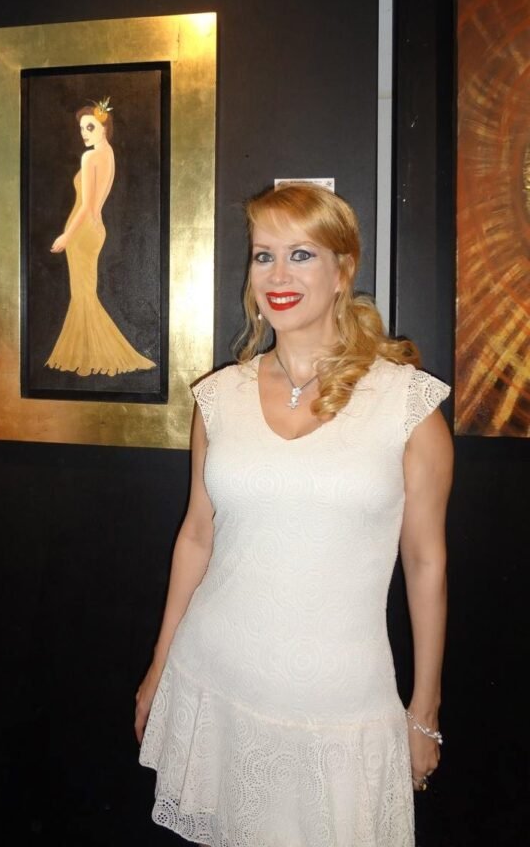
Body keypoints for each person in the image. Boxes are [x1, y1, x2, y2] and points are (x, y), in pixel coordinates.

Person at [136, 182, 452, 847]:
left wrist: (424, 708)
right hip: (216, 679)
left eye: (301, 255)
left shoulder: (407, 405)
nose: (278, 276)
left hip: (339, 702)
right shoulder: (219, 396)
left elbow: (426, 562)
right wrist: (159, 666)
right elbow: (197, 537)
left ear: (343, 270)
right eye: (264, 256)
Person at [46, 97, 155, 376]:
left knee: (82, 295)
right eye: (82, 128)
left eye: (90, 127)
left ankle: (91, 356)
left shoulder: (90, 157)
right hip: (96, 229)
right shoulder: (108, 154)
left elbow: (86, 206)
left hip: (82, 231)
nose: (84, 133)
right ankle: (88, 353)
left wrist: (66, 235)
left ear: (105, 128)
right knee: (84, 294)